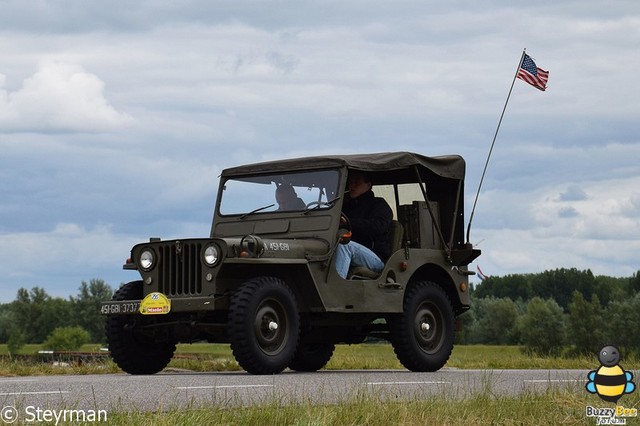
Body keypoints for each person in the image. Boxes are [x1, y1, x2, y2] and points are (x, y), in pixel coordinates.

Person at [335, 171, 392, 279]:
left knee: (345, 245)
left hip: (376, 257)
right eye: (350, 182)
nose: (352, 185)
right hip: (353, 252)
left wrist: (349, 223)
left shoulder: (379, 205)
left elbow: (379, 226)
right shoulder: (347, 206)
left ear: (368, 185)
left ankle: (336, 286)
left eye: (356, 182)